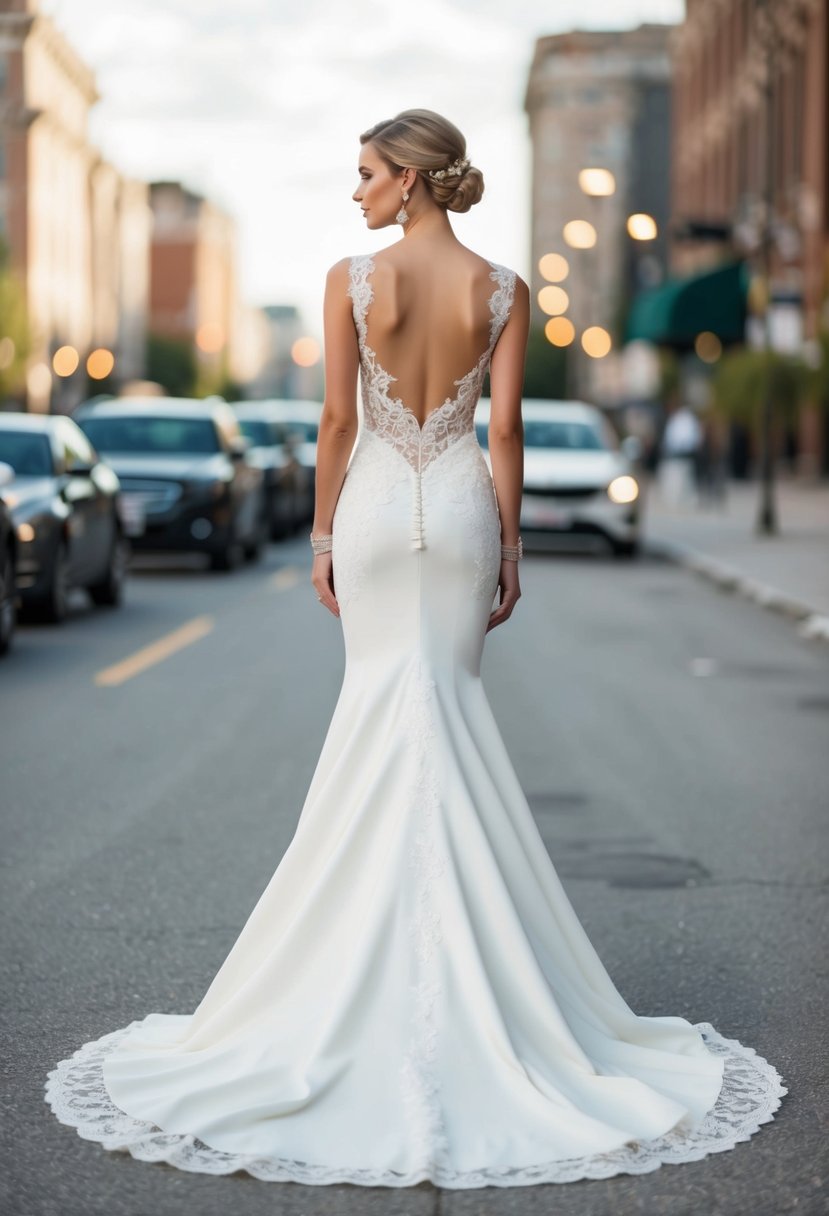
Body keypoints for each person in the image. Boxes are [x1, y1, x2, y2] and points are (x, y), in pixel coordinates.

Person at [45, 108, 785, 1189]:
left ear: (409, 180)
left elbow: (338, 423)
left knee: (378, 714)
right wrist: (512, 540)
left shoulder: (351, 281)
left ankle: (362, 976)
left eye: (365, 174)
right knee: (446, 712)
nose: (355, 193)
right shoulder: (504, 290)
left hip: (383, 512)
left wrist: (323, 530)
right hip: (462, 511)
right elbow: (507, 430)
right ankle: (472, 982)